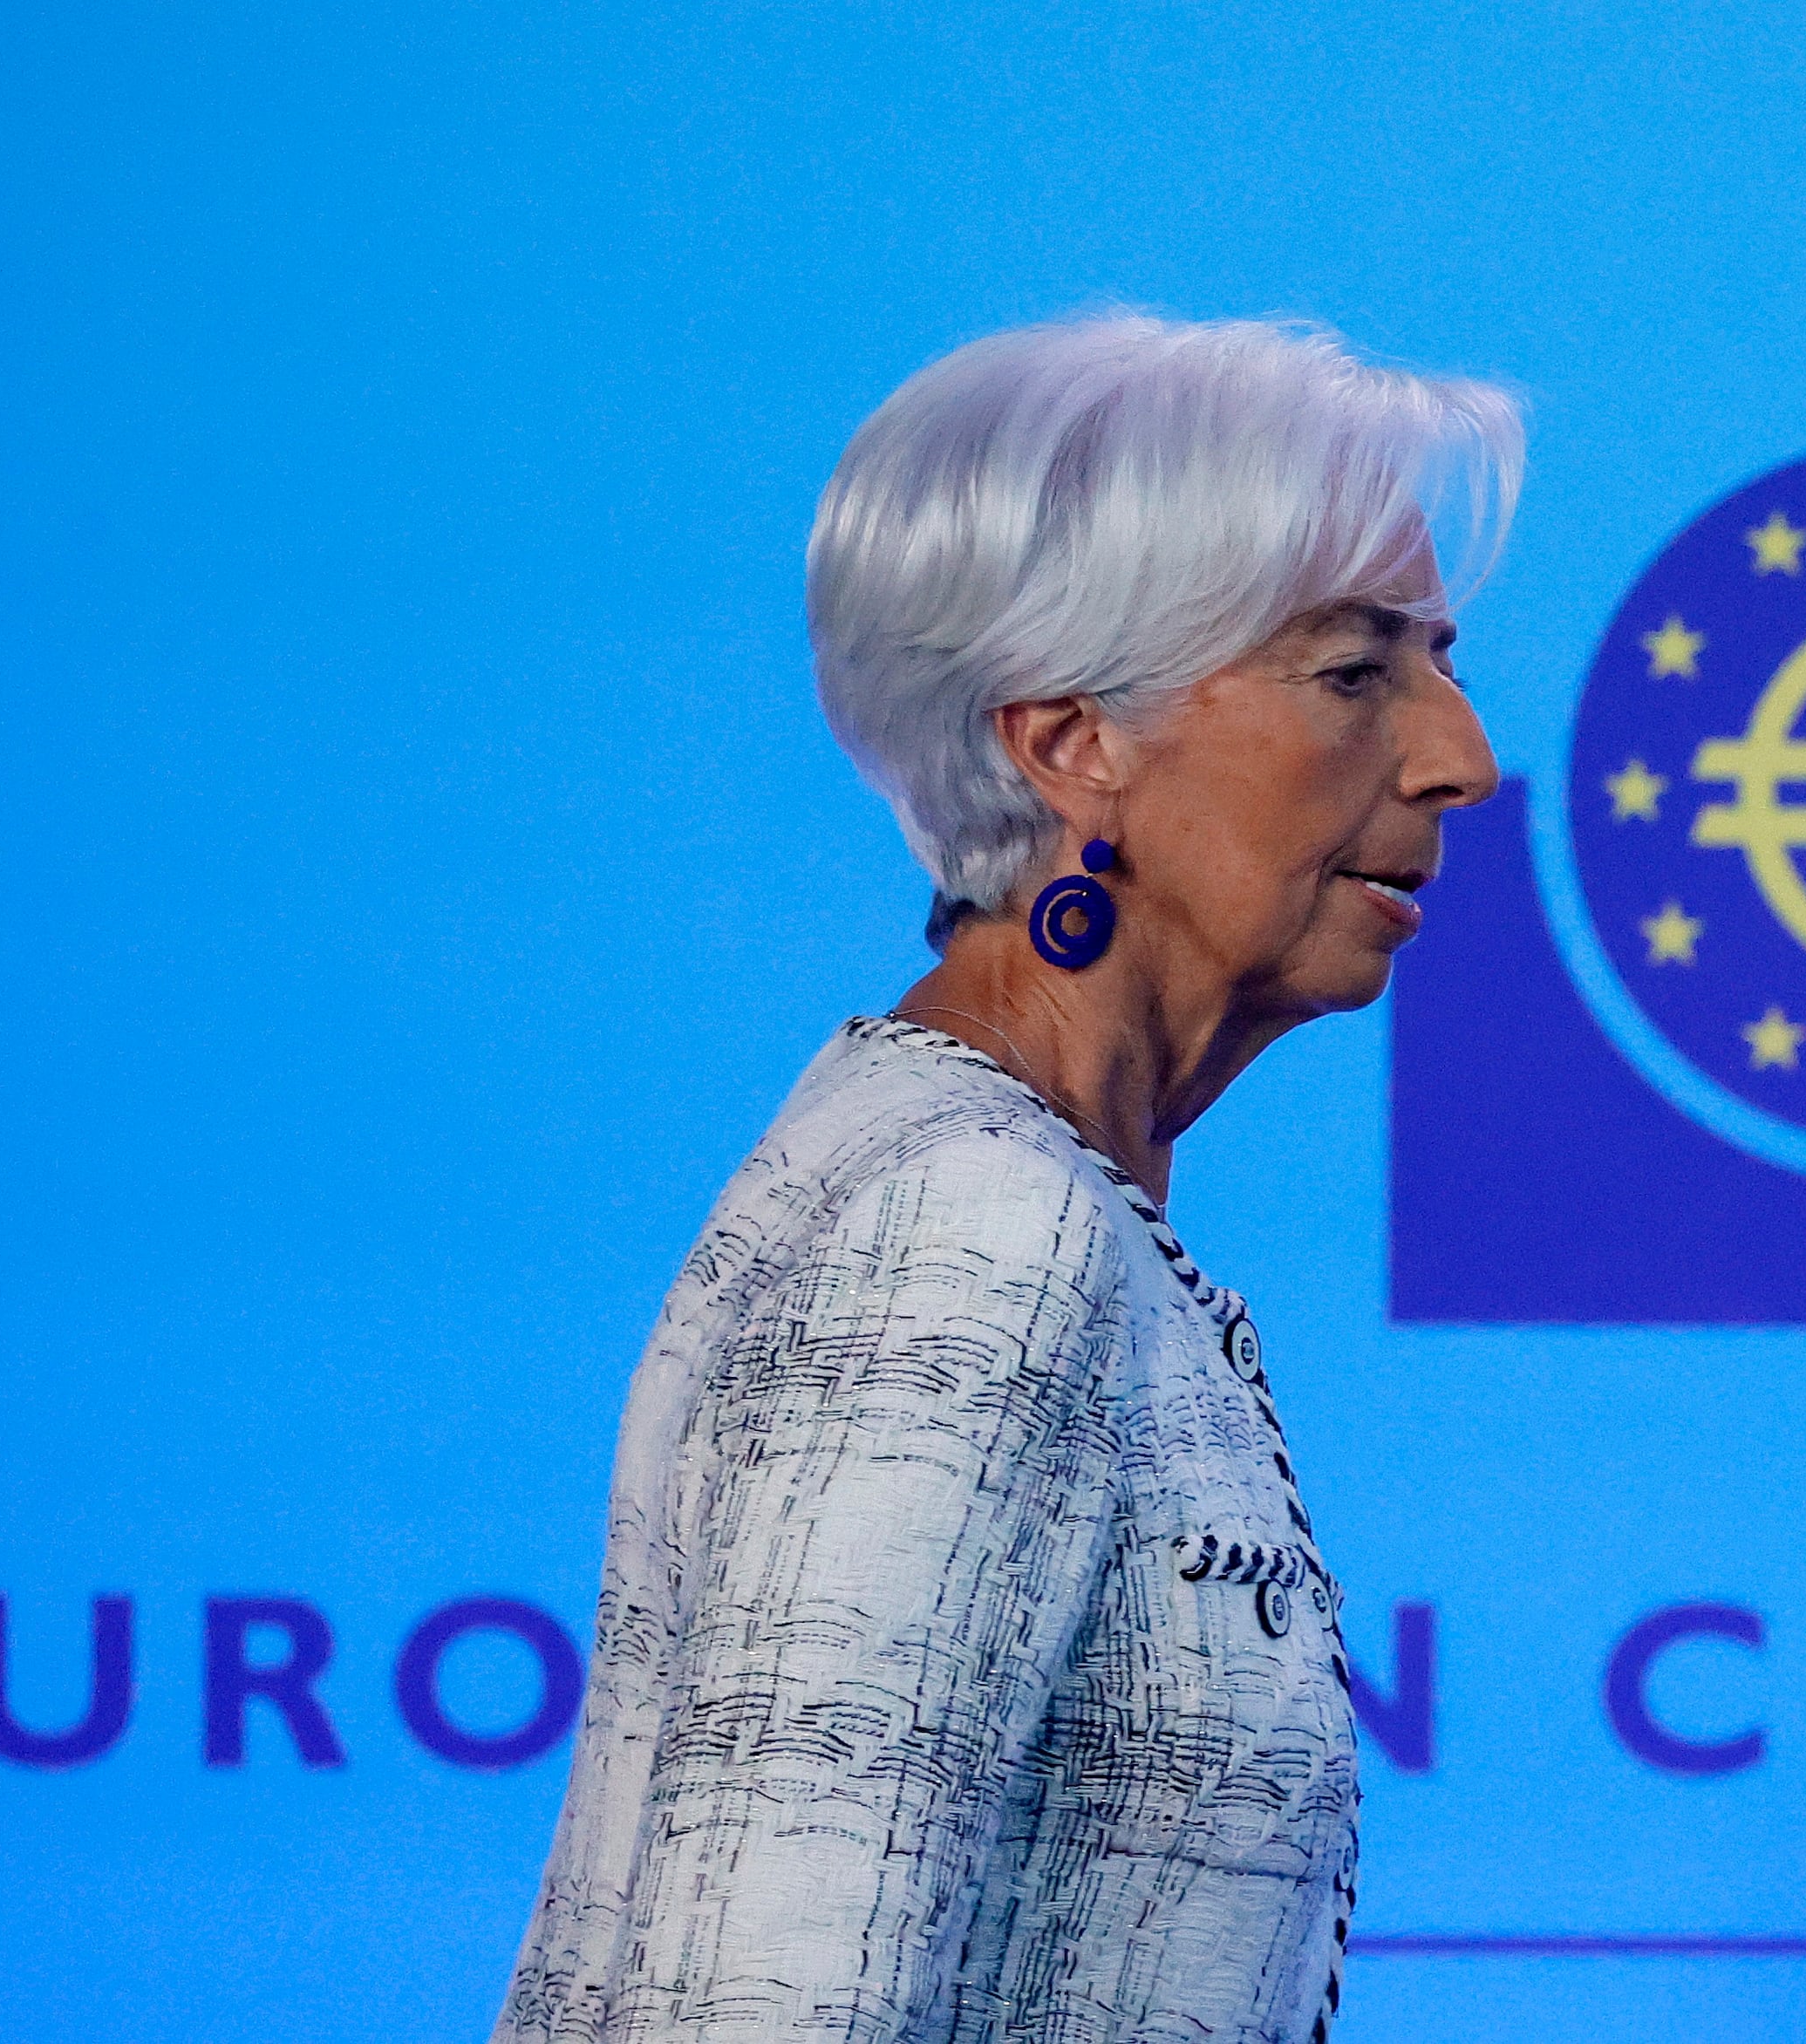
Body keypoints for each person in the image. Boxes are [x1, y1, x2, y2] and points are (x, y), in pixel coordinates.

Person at [491, 313, 1516, 2044]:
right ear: (1066, 744)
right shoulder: (964, 1223)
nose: (1459, 755)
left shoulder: (1020, 1187)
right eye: (1355, 673)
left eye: (1438, 661)